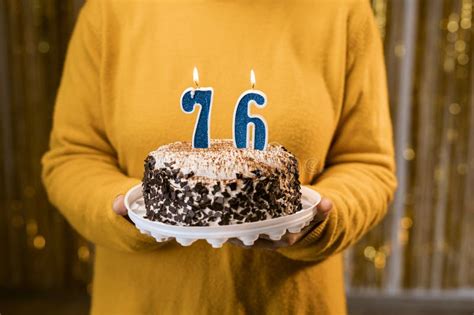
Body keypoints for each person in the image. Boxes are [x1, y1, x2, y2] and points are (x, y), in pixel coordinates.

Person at [42, 0, 397, 314]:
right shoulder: (110, 10)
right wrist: (126, 208)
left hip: (290, 303)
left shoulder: (343, 10)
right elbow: (73, 156)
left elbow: (368, 163)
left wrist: (319, 222)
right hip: (143, 302)